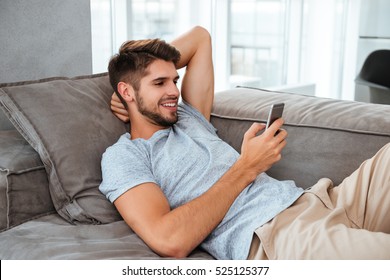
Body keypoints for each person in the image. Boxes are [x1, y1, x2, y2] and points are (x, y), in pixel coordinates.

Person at [99, 26, 390, 260]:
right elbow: (169, 240)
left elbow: (200, 37)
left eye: (174, 80)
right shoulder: (124, 156)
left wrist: (141, 92)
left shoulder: (187, 117)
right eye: (160, 83)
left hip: (321, 200)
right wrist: (247, 167)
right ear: (126, 90)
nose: (175, 91)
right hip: (278, 236)